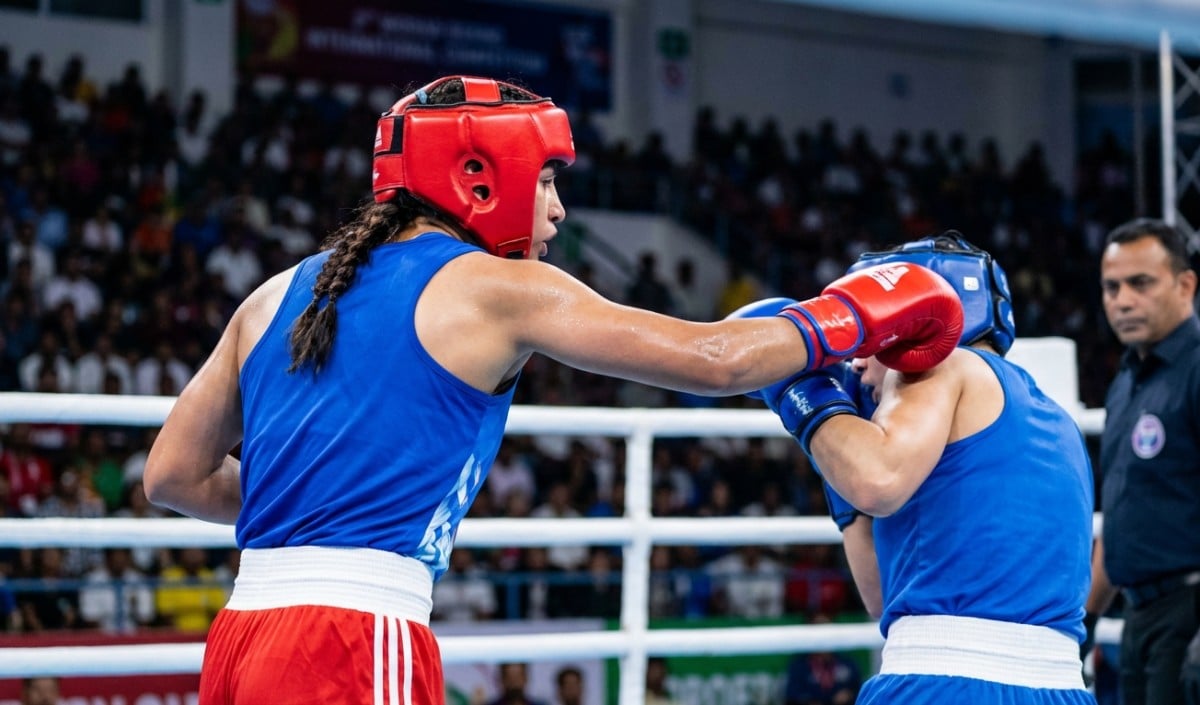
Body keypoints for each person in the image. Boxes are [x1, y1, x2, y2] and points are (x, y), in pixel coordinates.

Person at [142, 75, 962, 705]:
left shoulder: (276, 293)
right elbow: (711, 357)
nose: (560, 211)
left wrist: (309, 503)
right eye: (546, 181)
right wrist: (853, 313)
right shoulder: (493, 288)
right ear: (479, 174)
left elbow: (171, 475)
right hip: (354, 637)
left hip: (241, 634)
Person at [733, 233, 1096, 703]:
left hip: (943, 686)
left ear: (919, 320)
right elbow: (887, 601)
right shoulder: (1055, 422)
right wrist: (840, 465)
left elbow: (874, 479)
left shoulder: (946, 368)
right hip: (1061, 688)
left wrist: (804, 396)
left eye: (871, 334)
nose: (857, 360)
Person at [1083, 218, 1200, 705]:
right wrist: (1083, 620)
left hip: (1190, 614)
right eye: (1112, 287)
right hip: (1138, 619)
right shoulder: (1127, 382)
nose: (1123, 300)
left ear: (1185, 284)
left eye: (1140, 283)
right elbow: (1124, 515)